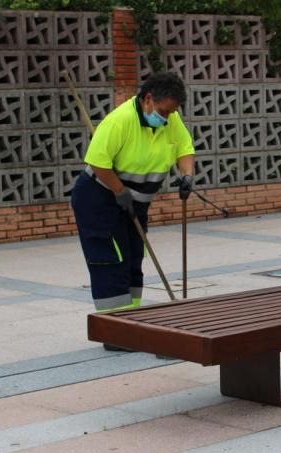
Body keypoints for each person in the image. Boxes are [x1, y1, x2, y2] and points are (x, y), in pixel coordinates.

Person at [71, 72, 195, 330]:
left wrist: (187, 175)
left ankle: (133, 321)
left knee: (133, 256)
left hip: (135, 201)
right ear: (148, 99)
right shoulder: (120, 121)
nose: (167, 118)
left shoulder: (169, 119)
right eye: (163, 111)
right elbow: (98, 162)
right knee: (111, 259)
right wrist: (119, 190)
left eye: (171, 113)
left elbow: (184, 148)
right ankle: (115, 329)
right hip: (100, 198)